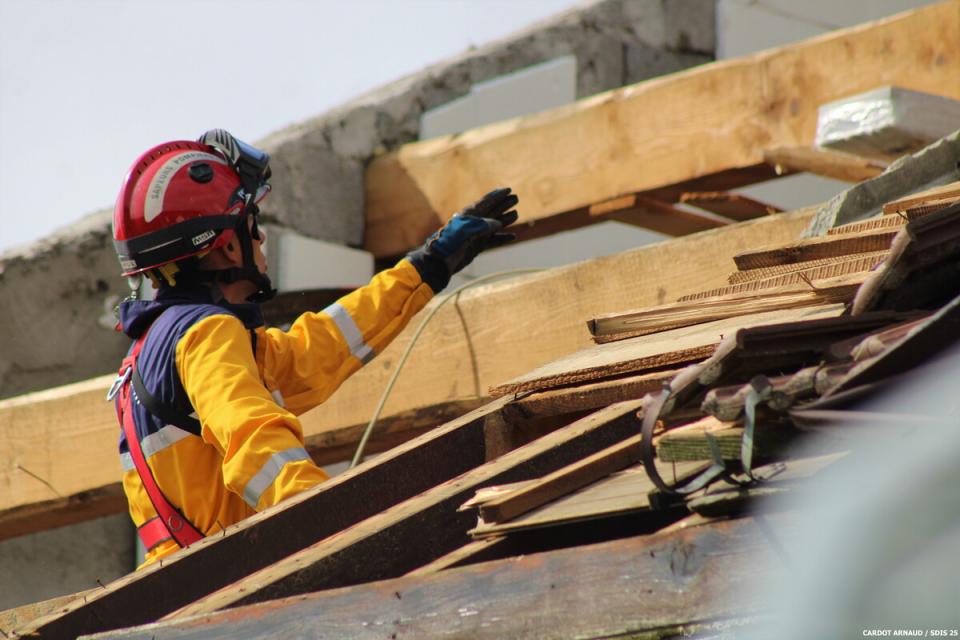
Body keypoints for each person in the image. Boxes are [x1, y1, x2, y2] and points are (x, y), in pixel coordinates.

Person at [108, 129, 518, 566]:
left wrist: (427, 267)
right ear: (227, 246)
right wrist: (325, 523)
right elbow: (251, 438)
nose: (260, 239)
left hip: (177, 581)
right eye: (253, 224)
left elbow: (320, 348)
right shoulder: (208, 334)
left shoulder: (153, 350)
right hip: (226, 585)